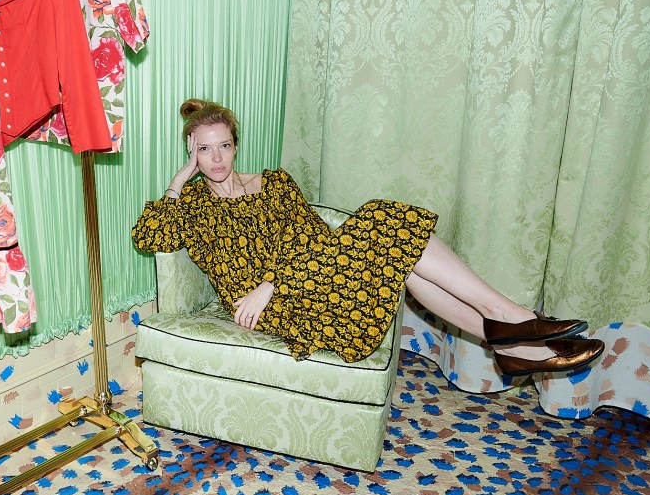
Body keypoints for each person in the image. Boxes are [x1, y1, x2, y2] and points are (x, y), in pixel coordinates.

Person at [131, 99, 605, 376]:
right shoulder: (192, 205)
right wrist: (178, 182)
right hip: (277, 306)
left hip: (301, 277)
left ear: (236, 144)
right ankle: (512, 324)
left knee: (400, 252)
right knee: (388, 222)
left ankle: (512, 340)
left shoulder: (273, 182)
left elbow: (308, 236)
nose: (216, 158)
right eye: (203, 150)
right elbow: (147, 234)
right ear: (192, 153)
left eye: (223, 145)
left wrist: (273, 279)